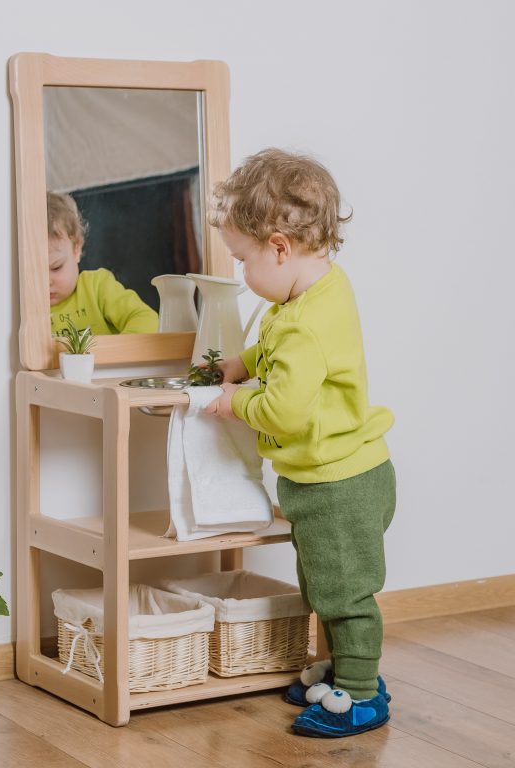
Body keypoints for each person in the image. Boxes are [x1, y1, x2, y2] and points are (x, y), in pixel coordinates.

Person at [205, 148, 396, 738]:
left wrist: (234, 402)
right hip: (332, 478)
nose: (241, 273)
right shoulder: (314, 295)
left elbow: (285, 410)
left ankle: (362, 694)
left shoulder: (304, 321)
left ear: (280, 247)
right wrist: (244, 360)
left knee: (343, 590)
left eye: (242, 259)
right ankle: (345, 668)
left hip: (340, 484)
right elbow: (282, 348)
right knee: (323, 581)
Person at [47, 191, 159, 336]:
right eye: (33, 275)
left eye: (56, 267)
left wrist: (119, 353)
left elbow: (146, 319)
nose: (46, 282)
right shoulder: (25, 309)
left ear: (77, 249)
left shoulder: (97, 287)